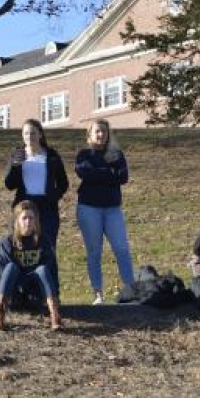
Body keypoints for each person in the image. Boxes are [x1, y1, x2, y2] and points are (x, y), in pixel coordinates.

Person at [75, 119, 135, 304]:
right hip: (89, 208)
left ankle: (130, 291)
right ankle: (98, 294)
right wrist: (109, 172)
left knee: (122, 248)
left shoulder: (116, 154)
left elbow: (123, 177)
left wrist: (99, 172)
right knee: (94, 251)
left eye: (104, 131)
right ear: (90, 134)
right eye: (97, 131)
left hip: (112, 209)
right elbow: (84, 173)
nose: (101, 135)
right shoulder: (84, 154)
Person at [0, 201, 62, 330]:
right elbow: (4, 272)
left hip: (36, 291)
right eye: (24, 218)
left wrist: (56, 293)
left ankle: (54, 313)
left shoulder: (44, 241)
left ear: (36, 220)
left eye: (31, 218)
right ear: (17, 220)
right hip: (14, 292)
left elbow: (51, 270)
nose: (28, 222)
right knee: (11, 267)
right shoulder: (7, 242)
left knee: (42, 269)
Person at [4, 119, 69, 251]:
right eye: (26, 133)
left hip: (47, 207)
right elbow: (9, 184)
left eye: (33, 133)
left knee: (48, 247)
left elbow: (63, 182)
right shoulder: (18, 154)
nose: (29, 137)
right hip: (24, 205)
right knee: (21, 247)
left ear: (40, 134)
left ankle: (47, 272)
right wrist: (15, 166)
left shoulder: (51, 155)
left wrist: (54, 196)